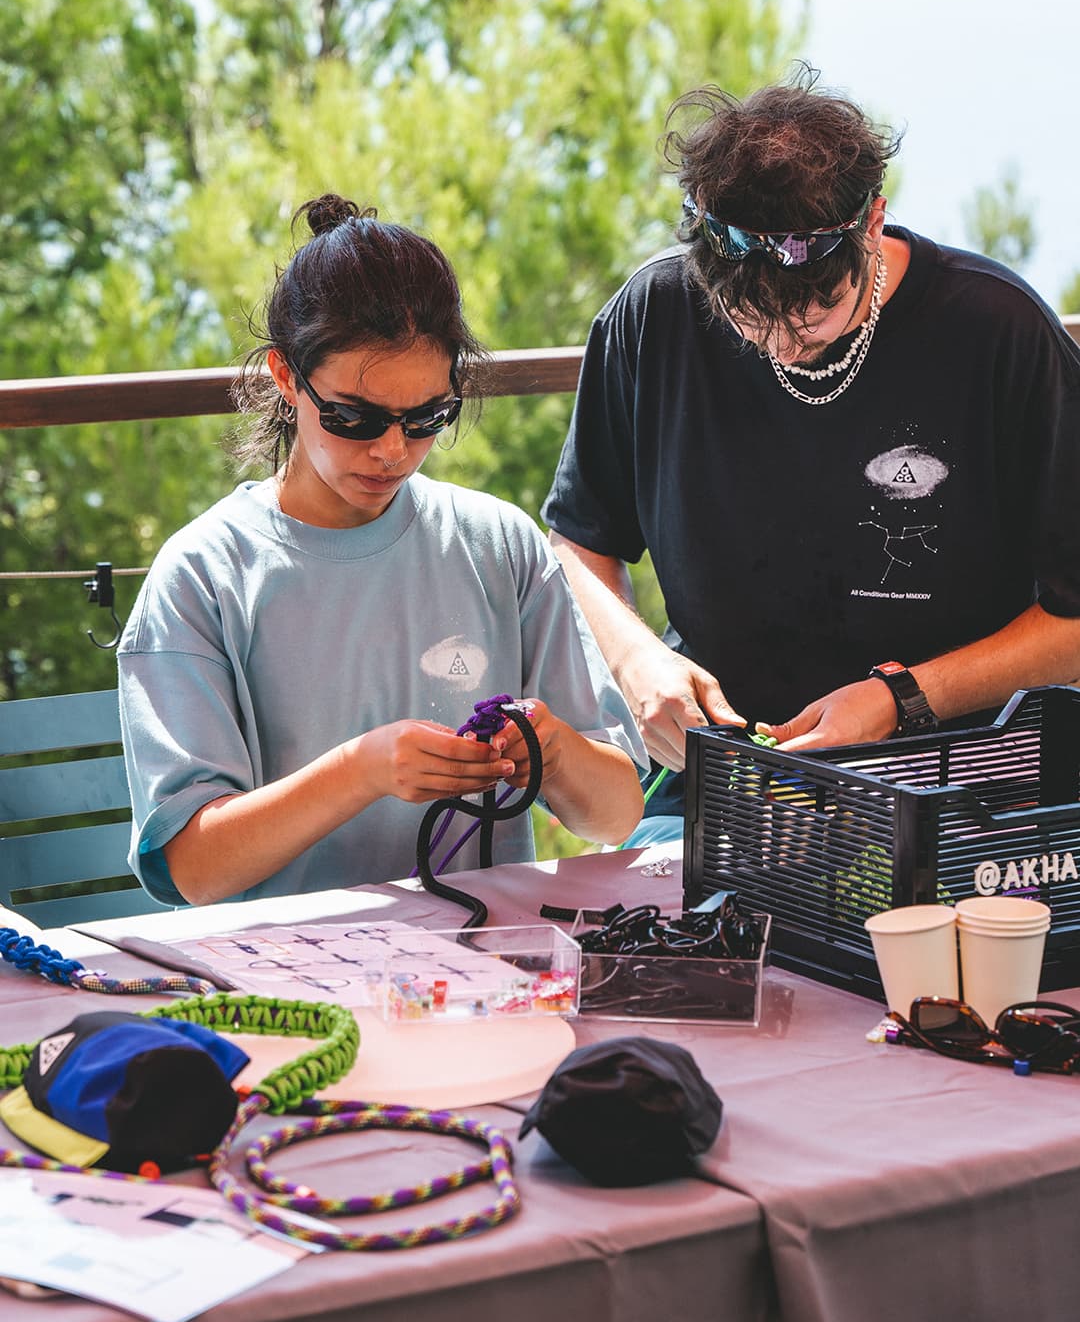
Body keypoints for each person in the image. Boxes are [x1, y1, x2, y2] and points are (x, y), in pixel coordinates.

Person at [543, 69, 1080, 837]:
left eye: (817, 314)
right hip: (725, 769)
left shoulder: (1000, 332)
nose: (782, 343)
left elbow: (1073, 626)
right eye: (746, 318)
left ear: (873, 224)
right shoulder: (652, 315)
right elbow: (576, 542)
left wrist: (902, 698)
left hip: (954, 772)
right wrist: (634, 659)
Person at [118, 194, 644, 905]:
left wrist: (553, 753)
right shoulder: (204, 577)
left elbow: (616, 814)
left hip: (485, 972)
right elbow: (190, 869)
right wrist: (358, 771)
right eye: (354, 417)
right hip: (289, 979)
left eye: (427, 417)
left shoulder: (498, 544)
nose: (393, 450)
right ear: (284, 375)